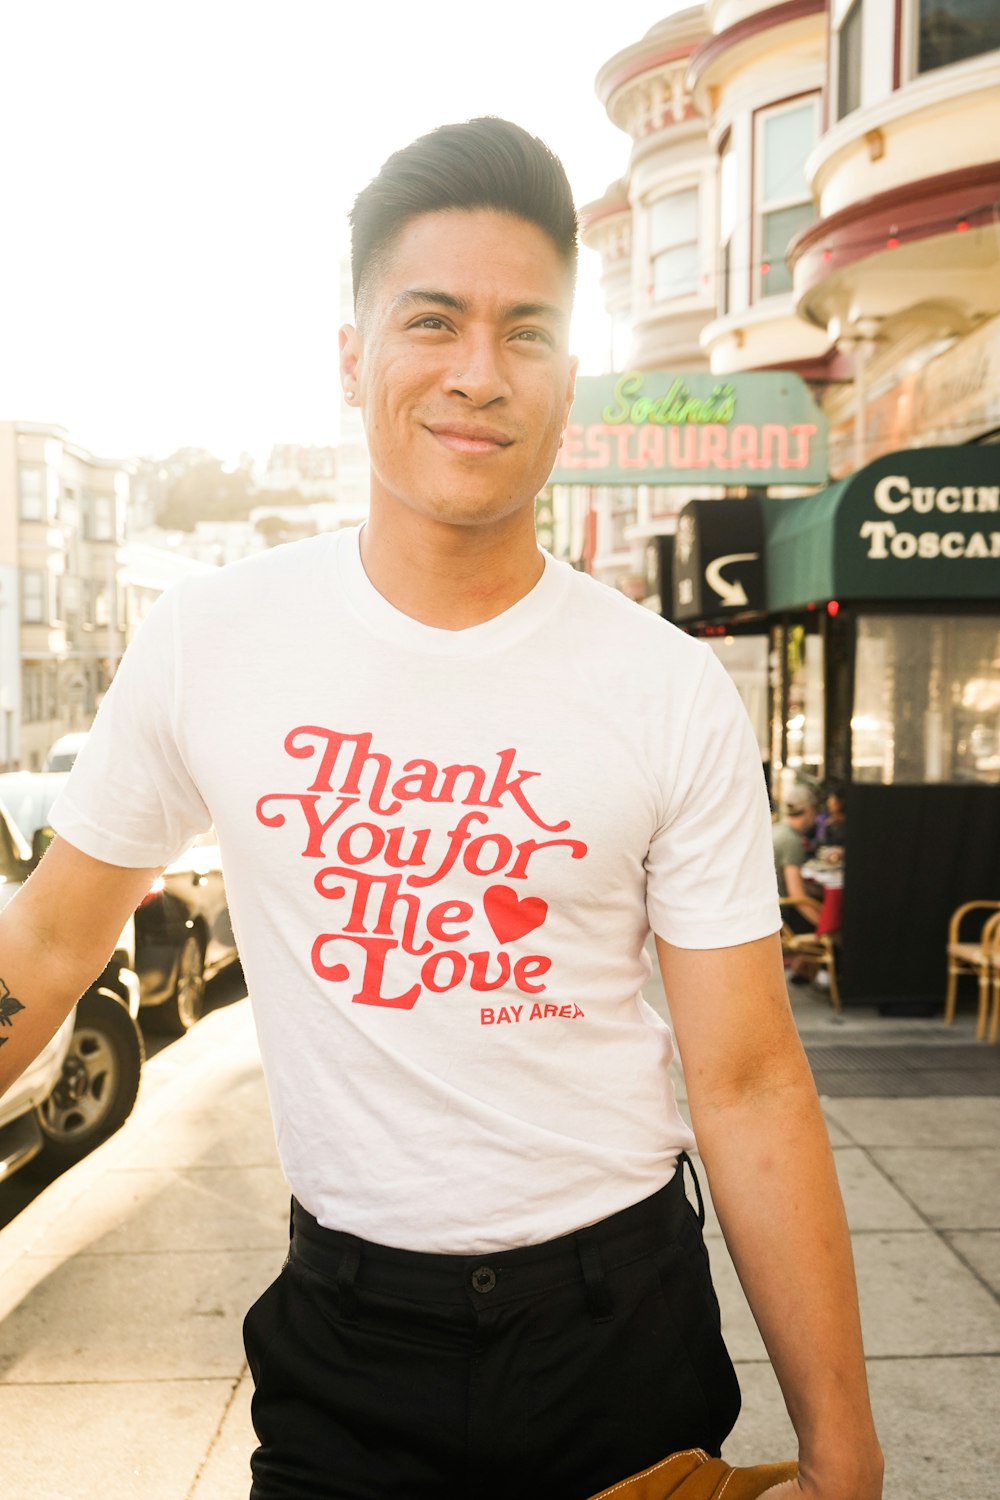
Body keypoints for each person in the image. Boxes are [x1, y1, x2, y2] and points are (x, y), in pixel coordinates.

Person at [0, 119, 882, 1500]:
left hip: (621, 1332)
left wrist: (846, 1458)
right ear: (351, 355)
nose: (480, 374)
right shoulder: (210, 640)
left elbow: (751, 1076)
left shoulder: (665, 688)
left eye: (525, 331)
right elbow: (45, 954)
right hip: (349, 1346)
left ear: (569, 376)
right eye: (433, 320)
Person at [773, 788, 822, 938]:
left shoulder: (777, 829)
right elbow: (797, 896)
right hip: (783, 916)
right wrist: (825, 927)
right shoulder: (791, 841)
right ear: (808, 810)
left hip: (770, 910)